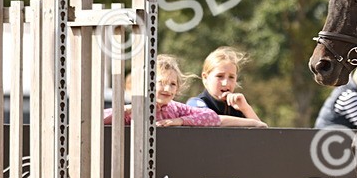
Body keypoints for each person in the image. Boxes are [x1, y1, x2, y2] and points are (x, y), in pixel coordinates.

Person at [106, 54, 264, 128]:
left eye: (173, 84)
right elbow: (98, 121)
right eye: (160, 83)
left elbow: (210, 117)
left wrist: (180, 121)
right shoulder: (135, 110)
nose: (167, 89)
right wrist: (124, 110)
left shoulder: (176, 108)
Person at [186, 47, 266, 125]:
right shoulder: (195, 103)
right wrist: (252, 123)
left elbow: (264, 134)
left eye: (231, 77)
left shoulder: (238, 107)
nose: (226, 83)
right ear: (205, 78)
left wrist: (246, 109)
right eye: (220, 76)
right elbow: (209, 119)